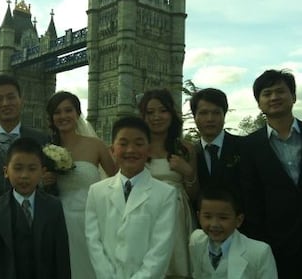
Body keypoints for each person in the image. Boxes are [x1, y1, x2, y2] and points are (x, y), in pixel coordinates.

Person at [85, 116, 178, 279]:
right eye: (123, 143)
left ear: (148, 150)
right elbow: (94, 242)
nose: (130, 150)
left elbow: (160, 249)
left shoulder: (166, 194)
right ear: (112, 150)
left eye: (139, 144)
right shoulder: (96, 191)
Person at [0, 137, 71, 279]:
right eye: (18, 168)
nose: (24, 176)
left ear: (42, 172)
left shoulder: (54, 207)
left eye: (32, 169)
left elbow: (62, 259)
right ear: (6, 171)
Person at [44, 91, 117, 279]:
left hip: (93, 216)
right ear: (52, 118)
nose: (63, 116)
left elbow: (117, 179)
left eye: (68, 110)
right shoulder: (46, 149)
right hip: (58, 219)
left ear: (77, 113)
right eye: (57, 112)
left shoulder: (95, 145)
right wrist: (44, 182)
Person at [240, 69, 302, 278]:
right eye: (267, 94)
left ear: (293, 96)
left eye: (280, 91)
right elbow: (251, 199)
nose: (274, 97)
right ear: (259, 103)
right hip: (276, 246)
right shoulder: (248, 147)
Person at [0, 75, 48, 238]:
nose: (5, 103)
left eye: (11, 97)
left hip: (32, 227)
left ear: (21, 100)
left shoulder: (42, 140)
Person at [138, 89, 197, 278]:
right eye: (150, 112)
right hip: (144, 215)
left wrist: (187, 172)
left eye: (162, 111)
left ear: (171, 114)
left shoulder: (186, 149)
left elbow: (194, 194)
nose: (156, 117)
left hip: (177, 215)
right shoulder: (136, 149)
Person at [189, 180, 277, 278]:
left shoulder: (259, 252)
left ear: (238, 220)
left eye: (223, 218)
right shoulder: (196, 240)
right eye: (207, 216)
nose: (214, 224)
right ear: (198, 216)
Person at [190, 88, 242, 190]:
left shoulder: (244, 147)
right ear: (194, 117)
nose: (210, 119)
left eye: (216, 113)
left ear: (224, 115)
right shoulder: (190, 153)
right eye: (204, 113)